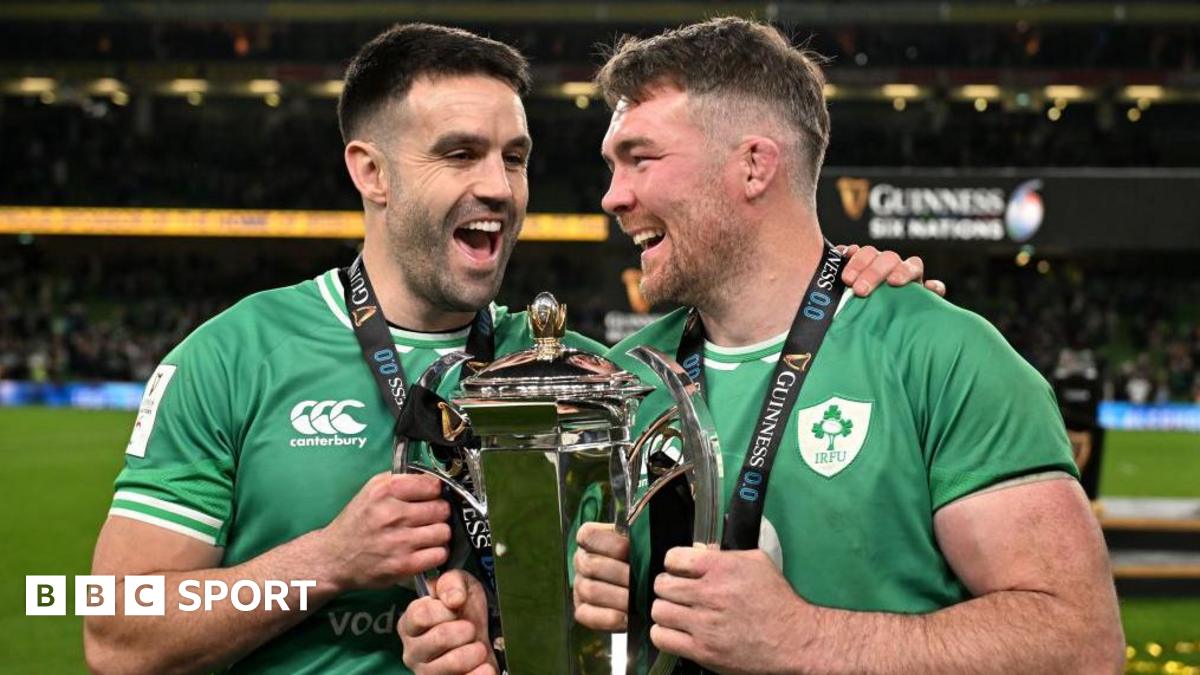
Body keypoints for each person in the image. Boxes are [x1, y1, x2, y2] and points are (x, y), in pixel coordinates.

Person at [83, 22, 928, 675]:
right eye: (460, 153)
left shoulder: (594, 373)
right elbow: (115, 629)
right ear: (371, 172)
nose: (498, 185)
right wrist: (328, 560)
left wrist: (862, 296)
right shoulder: (235, 356)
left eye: (514, 157)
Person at [404, 17, 1124, 675]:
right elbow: (595, 643)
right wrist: (497, 634)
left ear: (754, 165)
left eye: (640, 158)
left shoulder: (939, 355)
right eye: (612, 165)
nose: (613, 196)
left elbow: (1082, 642)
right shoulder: (619, 382)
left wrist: (805, 637)